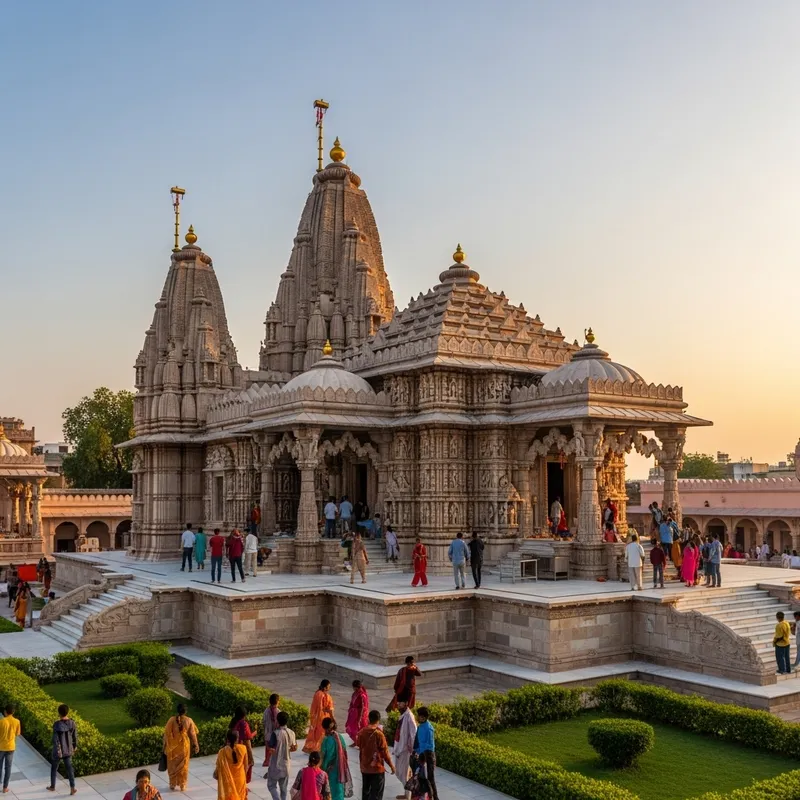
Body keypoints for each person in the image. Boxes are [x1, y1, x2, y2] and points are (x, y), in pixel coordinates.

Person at [356, 711, 395, 800]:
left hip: (365, 768)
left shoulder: (361, 732)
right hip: (377, 769)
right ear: (378, 720)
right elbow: (385, 752)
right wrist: (391, 766)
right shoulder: (379, 734)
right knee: (376, 795)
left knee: (366, 793)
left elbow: (358, 744)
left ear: (368, 719)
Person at [163, 702, 199, 791]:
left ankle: (172, 784)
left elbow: (166, 734)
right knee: (184, 765)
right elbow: (193, 734)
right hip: (184, 746)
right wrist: (196, 745)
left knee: (172, 765)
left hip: (173, 747)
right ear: (185, 711)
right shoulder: (189, 720)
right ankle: (183, 784)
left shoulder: (171, 720)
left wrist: (164, 746)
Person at [265, 710, 297, 800]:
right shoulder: (291, 733)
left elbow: (272, 750)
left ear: (277, 721)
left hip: (275, 765)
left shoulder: (275, 734)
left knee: (271, 786)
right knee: (283, 788)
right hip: (286, 765)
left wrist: (268, 745)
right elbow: (294, 748)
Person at [47, 704, 77, 795]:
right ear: (67, 712)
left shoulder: (56, 725)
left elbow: (55, 739)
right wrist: (74, 746)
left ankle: (52, 786)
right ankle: (72, 788)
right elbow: (75, 736)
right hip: (68, 749)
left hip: (58, 751)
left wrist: (56, 749)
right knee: (69, 769)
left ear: (59, 713)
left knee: (54, 768)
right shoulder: (72, 723)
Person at [321, 718, 352, 800]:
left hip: (328, 769)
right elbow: (344, 753)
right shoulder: (340, 737)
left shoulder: (326, 740)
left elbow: (322, 756)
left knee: (329, 790)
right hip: (340, 768)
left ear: (326, 728)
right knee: (338, 789)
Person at [393, 701, 417, 800]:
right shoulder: (403, 715)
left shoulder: (409, 716)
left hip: (406, 750)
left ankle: (408, 796)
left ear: (406, 703)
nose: (398, 705)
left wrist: (411, 749)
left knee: (404, 773)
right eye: (398, 703)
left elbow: (413, 733)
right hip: (399, 748)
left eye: (400, 703)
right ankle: (407, 794)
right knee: (399, 772)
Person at [412, 707, 437, 800]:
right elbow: (417, 742)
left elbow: (430, 745)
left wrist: (423, 754)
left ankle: (434, 797)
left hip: (428, 755)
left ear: (426, 717)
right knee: (419, 776)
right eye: (419, 717)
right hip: (421, 754)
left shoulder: (429, 728)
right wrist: (415, 751)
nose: (420, 718)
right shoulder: (419, 727)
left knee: (430, 778)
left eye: (422, 717)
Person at [215, 730, 247, 800]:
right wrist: (244, 778)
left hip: (228, 781)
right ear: (237, 738)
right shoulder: (243, 748)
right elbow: (246, 766)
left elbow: (218, 767)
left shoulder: (222, 752)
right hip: (240, 779)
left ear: (227, 739)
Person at [304, 681, 334, 754]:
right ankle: (317, 749)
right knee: (321, 733)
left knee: (314, 732)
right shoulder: (324, 695)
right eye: (328, 687)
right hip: (322, 717)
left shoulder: (317, 693)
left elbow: (315, 707)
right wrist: (332, 717)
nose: (329, 688)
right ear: (324, 687)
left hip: (316, 717)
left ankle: (310, 748)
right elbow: (325, 708)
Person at [229, 706, 255, 783]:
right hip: (241, 750)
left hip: (231, 749)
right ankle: (242, 787)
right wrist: (251, 757)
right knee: (243, 769)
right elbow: (247, 741)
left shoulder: (232, 722)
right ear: (244, 715)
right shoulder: (244, 724)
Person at [0, 704, 20, 795]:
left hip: (1, 747)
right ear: (13, 712)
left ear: (5, 712)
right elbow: (17, 734)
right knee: (8, 768)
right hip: (11, 747)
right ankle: (5, 788)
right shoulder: (17, 721)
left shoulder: (2, 721)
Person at [346, 680, 370, 746]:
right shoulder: (355, 693)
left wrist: (359, 718)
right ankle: (356, 742)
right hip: (354, 714)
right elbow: (352, 703)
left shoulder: (362, 695)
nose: (353, 689)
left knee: (360, 730)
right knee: (350, 728)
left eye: (354, 687)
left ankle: (361, 743)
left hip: (361, 716)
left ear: (356, 687)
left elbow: (363, 707)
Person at [262, 694, 281, 767]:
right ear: (277, 702)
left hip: (267, 733)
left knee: (267, 748)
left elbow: (263, 721)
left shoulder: (266, 711)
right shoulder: (278, 711)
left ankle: (267, 761)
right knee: (274, 748)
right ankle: (273, 761)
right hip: (275, 734)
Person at [775, 611, 792, 675]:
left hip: (780, 644)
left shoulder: (779, 625)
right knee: (787, 657)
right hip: (787, 642)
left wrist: (775, 641)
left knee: (780, 657)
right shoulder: (786, 623)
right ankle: (788, 670)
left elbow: (780, 636)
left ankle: (782, 670)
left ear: (777, 617)